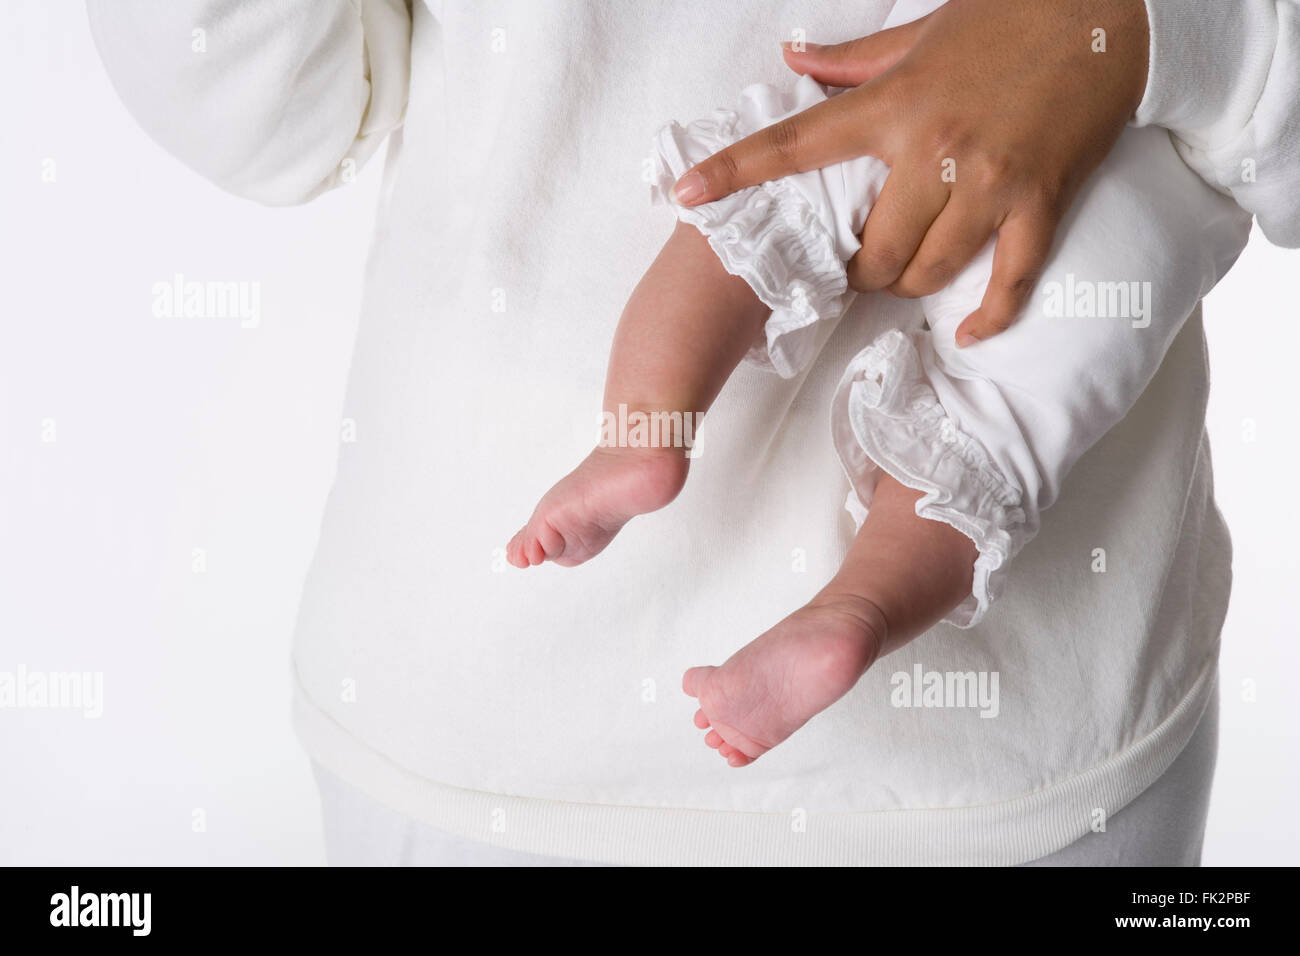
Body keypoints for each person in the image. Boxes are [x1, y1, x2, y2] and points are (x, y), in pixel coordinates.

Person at [88, 0, 1300, 865]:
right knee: (1001, 417)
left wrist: (1136, 24)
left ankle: (642, 441)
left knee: (743, 210)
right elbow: (269, 118)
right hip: (510, 744)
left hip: (1005, 770)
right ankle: (856, 606)